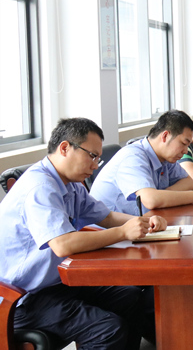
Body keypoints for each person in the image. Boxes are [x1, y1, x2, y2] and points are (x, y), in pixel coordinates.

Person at [0, 118, 166, 349]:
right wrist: (122, 233)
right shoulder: (40, 187)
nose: (95, 165)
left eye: (98, 158)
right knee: (108, 329)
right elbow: (62, 244)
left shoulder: (71, 185)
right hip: (23, 298)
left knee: (130, 296)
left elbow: (106, 217)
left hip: (56, 284)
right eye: (92, 156)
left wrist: (145, 222)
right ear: (65, 148)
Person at [91, 110, 193, 215]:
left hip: (142, 223)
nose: (185, 151)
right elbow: (151, 200)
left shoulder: (165, 157)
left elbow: (188, 182)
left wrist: (162, 195)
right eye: (183, 144)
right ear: (165, 136)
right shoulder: (133, 157)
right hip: (109, 231)